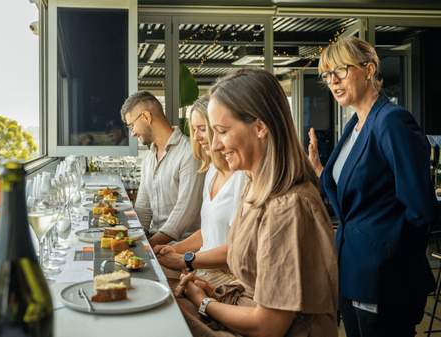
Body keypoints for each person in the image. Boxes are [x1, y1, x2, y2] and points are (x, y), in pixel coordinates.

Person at [177, 69, 338, 337]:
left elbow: (268, 325)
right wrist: (212, 292)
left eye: (222, 131)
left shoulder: (288, 207)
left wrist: (203, 302)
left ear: (260, 127)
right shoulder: (255, 187)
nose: (215, 145)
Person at [308, 36, 437, 337]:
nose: (333, 81)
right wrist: (319, 171)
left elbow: (420, 210)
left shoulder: (392, 121)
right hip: (353, 272)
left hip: (383, 279)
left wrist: (388, 260)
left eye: (340, 70)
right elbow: (357, 199)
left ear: (368, 70)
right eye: (327, 75)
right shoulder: (355, 125)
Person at [154, 95, 245, 286]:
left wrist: (185, 260)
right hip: (202, 266)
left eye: (202, 129)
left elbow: (240, 248)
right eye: (193, 130)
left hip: (227, 277)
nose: (195, 137)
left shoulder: (243, 177)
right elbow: (208, 231)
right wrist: (175, 250)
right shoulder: (211, 170)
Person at [120, 91, 204, 247]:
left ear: (146, 117)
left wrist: (148, 246)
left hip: (182, 248)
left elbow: (185, 212)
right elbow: (143, 209)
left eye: (132, 125)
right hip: (156, 243)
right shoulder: (149, 158)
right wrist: (130, 239)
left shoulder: (189, 153)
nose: (132, 133)